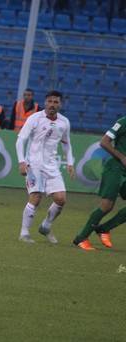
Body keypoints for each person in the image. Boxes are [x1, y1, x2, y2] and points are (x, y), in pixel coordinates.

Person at [15, 90, 74, 244]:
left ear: (60, 104)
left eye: (56, 102)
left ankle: (45, 226)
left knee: (61, 199)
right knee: (35, 197)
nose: (52, 105)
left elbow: (66, 143)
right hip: (33, 164)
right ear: (45, 103)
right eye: (50, 101)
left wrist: (70, 162)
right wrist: (21, 161)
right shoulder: (34, 118)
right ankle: (24, 233)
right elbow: (21, 140)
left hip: (51, 165)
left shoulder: (64, 122)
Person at [73, 116, 126, 251]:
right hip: (115, 168)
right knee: (107, 205)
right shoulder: (123, 122)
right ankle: (81, 238)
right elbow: (104, 142)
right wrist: (122, 157)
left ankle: (104, 228)